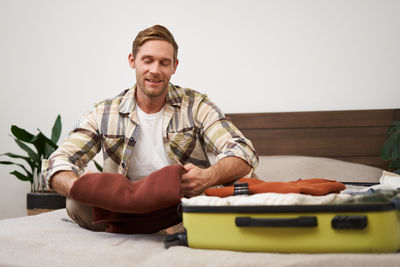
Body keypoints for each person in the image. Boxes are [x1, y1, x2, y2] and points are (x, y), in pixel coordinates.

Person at [42, 25, 258, 231]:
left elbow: (243, 151)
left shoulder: (196, 106)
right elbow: (58, 161)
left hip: (183, 203)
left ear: (174, 66)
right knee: (75, 204)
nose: (155, 70)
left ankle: (152, 227)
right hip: (125, 206)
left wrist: (208, 176)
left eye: (164, 63)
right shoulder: (104, 112)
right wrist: (83, 189)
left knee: (242, 192)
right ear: (132, 60)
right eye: (148, 60)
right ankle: (169, 228)